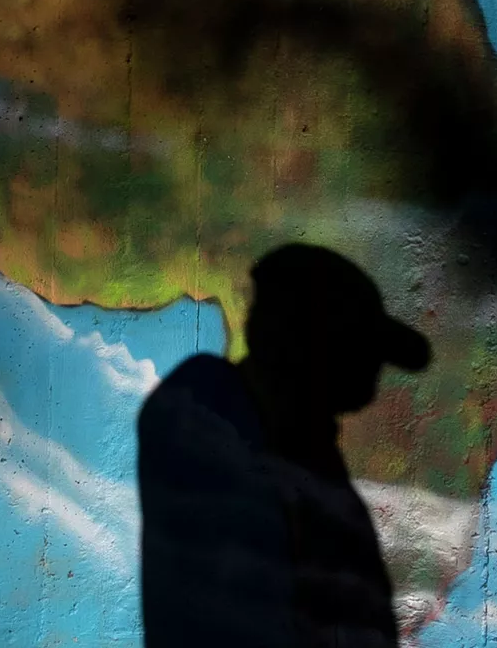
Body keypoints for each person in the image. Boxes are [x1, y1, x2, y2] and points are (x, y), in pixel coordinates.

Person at [137, 243, 433, 647]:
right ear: (309, 346)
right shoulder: (208, 416)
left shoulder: (305, 450)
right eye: (358, 348)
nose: (373, 371)